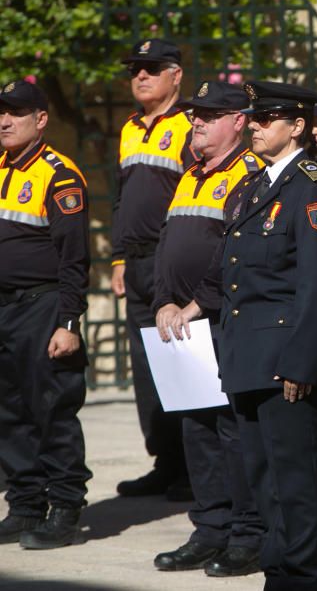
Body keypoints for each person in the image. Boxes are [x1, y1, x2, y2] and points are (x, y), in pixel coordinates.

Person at [174, 80, 317, 591]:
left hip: (284, 359)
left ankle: (305, 575)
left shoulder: (311, 188)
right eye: (254, 118)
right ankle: (279, 569)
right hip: (246, 353)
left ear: (296, 127)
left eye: (267, 120)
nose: (255, 126)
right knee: (263, 478)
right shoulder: (252, 186)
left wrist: (303, 361)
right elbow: (233, 271)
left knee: (296, 479)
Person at [150, 81, 264, 576]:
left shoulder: (250, 174)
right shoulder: (190, 174)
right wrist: (162, 301)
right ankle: (210, 529)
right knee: (197, 430)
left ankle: (247, 534)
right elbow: (168, 246)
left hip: (223, 320)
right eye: (195, 114)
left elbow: (240, 258)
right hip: (183, 323)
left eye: (210, 115)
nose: (197, 121)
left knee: (234, 430)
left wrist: (196, 304)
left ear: (238, 121)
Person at [0, 80, 92, 549]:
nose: (4, 120)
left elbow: (74, 256)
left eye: (16, 113)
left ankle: (65, 508)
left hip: (43, 306)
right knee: (9, 412)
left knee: (51, 410)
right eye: (2, 112)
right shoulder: (0, 168)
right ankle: (25, 504)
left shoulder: (60, 175)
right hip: (4, 309)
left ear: (40, 119)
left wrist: (69, 321)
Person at [111, 38, 195, 499]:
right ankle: (164, 461)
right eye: (135, 70)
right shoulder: (128, 128)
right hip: (136, 260)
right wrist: (120, 257)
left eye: (151, 68)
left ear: (175, 75)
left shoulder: (188, 124)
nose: (140, 76)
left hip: (170, 261)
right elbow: (123, 198)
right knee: (146, 370)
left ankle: (191, 469)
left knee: (179, 363)